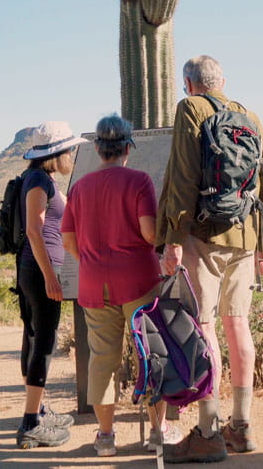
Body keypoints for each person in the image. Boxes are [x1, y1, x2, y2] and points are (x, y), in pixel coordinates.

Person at [156, 55, 263, 463]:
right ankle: (241, 427)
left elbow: (182, 177)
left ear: (189, 83)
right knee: (238, 325)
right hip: (245, 236)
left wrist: (173, 238)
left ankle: (209, 432)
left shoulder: (190, 109)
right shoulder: (250, 116)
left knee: (204, 325)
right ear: (222, 81)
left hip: (203, 235)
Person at [61, 113, 182, 457]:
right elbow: (148, 231)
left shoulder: (80, 187)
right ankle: (158, 433)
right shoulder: (139, 181)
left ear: (99, 149)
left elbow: (69, 241)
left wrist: (92, 258)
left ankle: (105, 437)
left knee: (102, 359)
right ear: (128, 147)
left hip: (93, 285)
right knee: (152, 354)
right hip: (139, 281)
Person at [16, 121, 88, 449]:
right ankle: (31, 423)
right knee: (43, 341)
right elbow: (34, 230)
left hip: (37, 269)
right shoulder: (37, 181)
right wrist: (50, 276)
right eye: (68, 150)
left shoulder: (42, 179)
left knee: (35, 338)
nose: (71, 155)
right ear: (55, 154)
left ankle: (38, 409)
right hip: (39, 270)